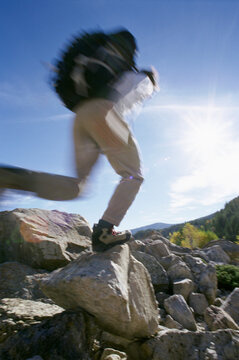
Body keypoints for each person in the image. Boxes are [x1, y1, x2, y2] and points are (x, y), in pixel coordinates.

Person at [0, 29, 157, 251]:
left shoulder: (100, 60)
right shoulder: (141, 77)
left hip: (81, 115)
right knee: (134, 174)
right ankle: (105, 231)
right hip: (103, 112)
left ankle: (12, 178)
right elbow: (121, 100)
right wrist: (151, 82)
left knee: (79, 186)